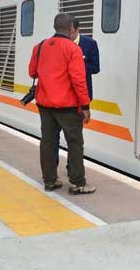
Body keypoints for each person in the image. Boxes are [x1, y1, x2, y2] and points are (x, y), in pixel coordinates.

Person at [29, 13, 95, 194]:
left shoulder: (40, 46)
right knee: (74, 143)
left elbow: (32, 72)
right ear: (71, 29)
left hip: (44, 104)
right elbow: (78, 81)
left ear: (55, 27)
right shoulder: (73, 49)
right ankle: (78, 182)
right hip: (68, 107)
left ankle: (50, 181)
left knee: (48, 142)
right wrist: (86, 106)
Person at [55, 20, 100, 173]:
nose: (69, 35)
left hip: (80, 99)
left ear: (76, 29)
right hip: (59, 97)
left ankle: (72, 168)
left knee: (74, 137)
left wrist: (77, 65)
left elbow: (96, 68)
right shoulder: (58, 44)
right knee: (54, 136)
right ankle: (53, 170)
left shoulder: (90, 44)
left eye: (71, 32)